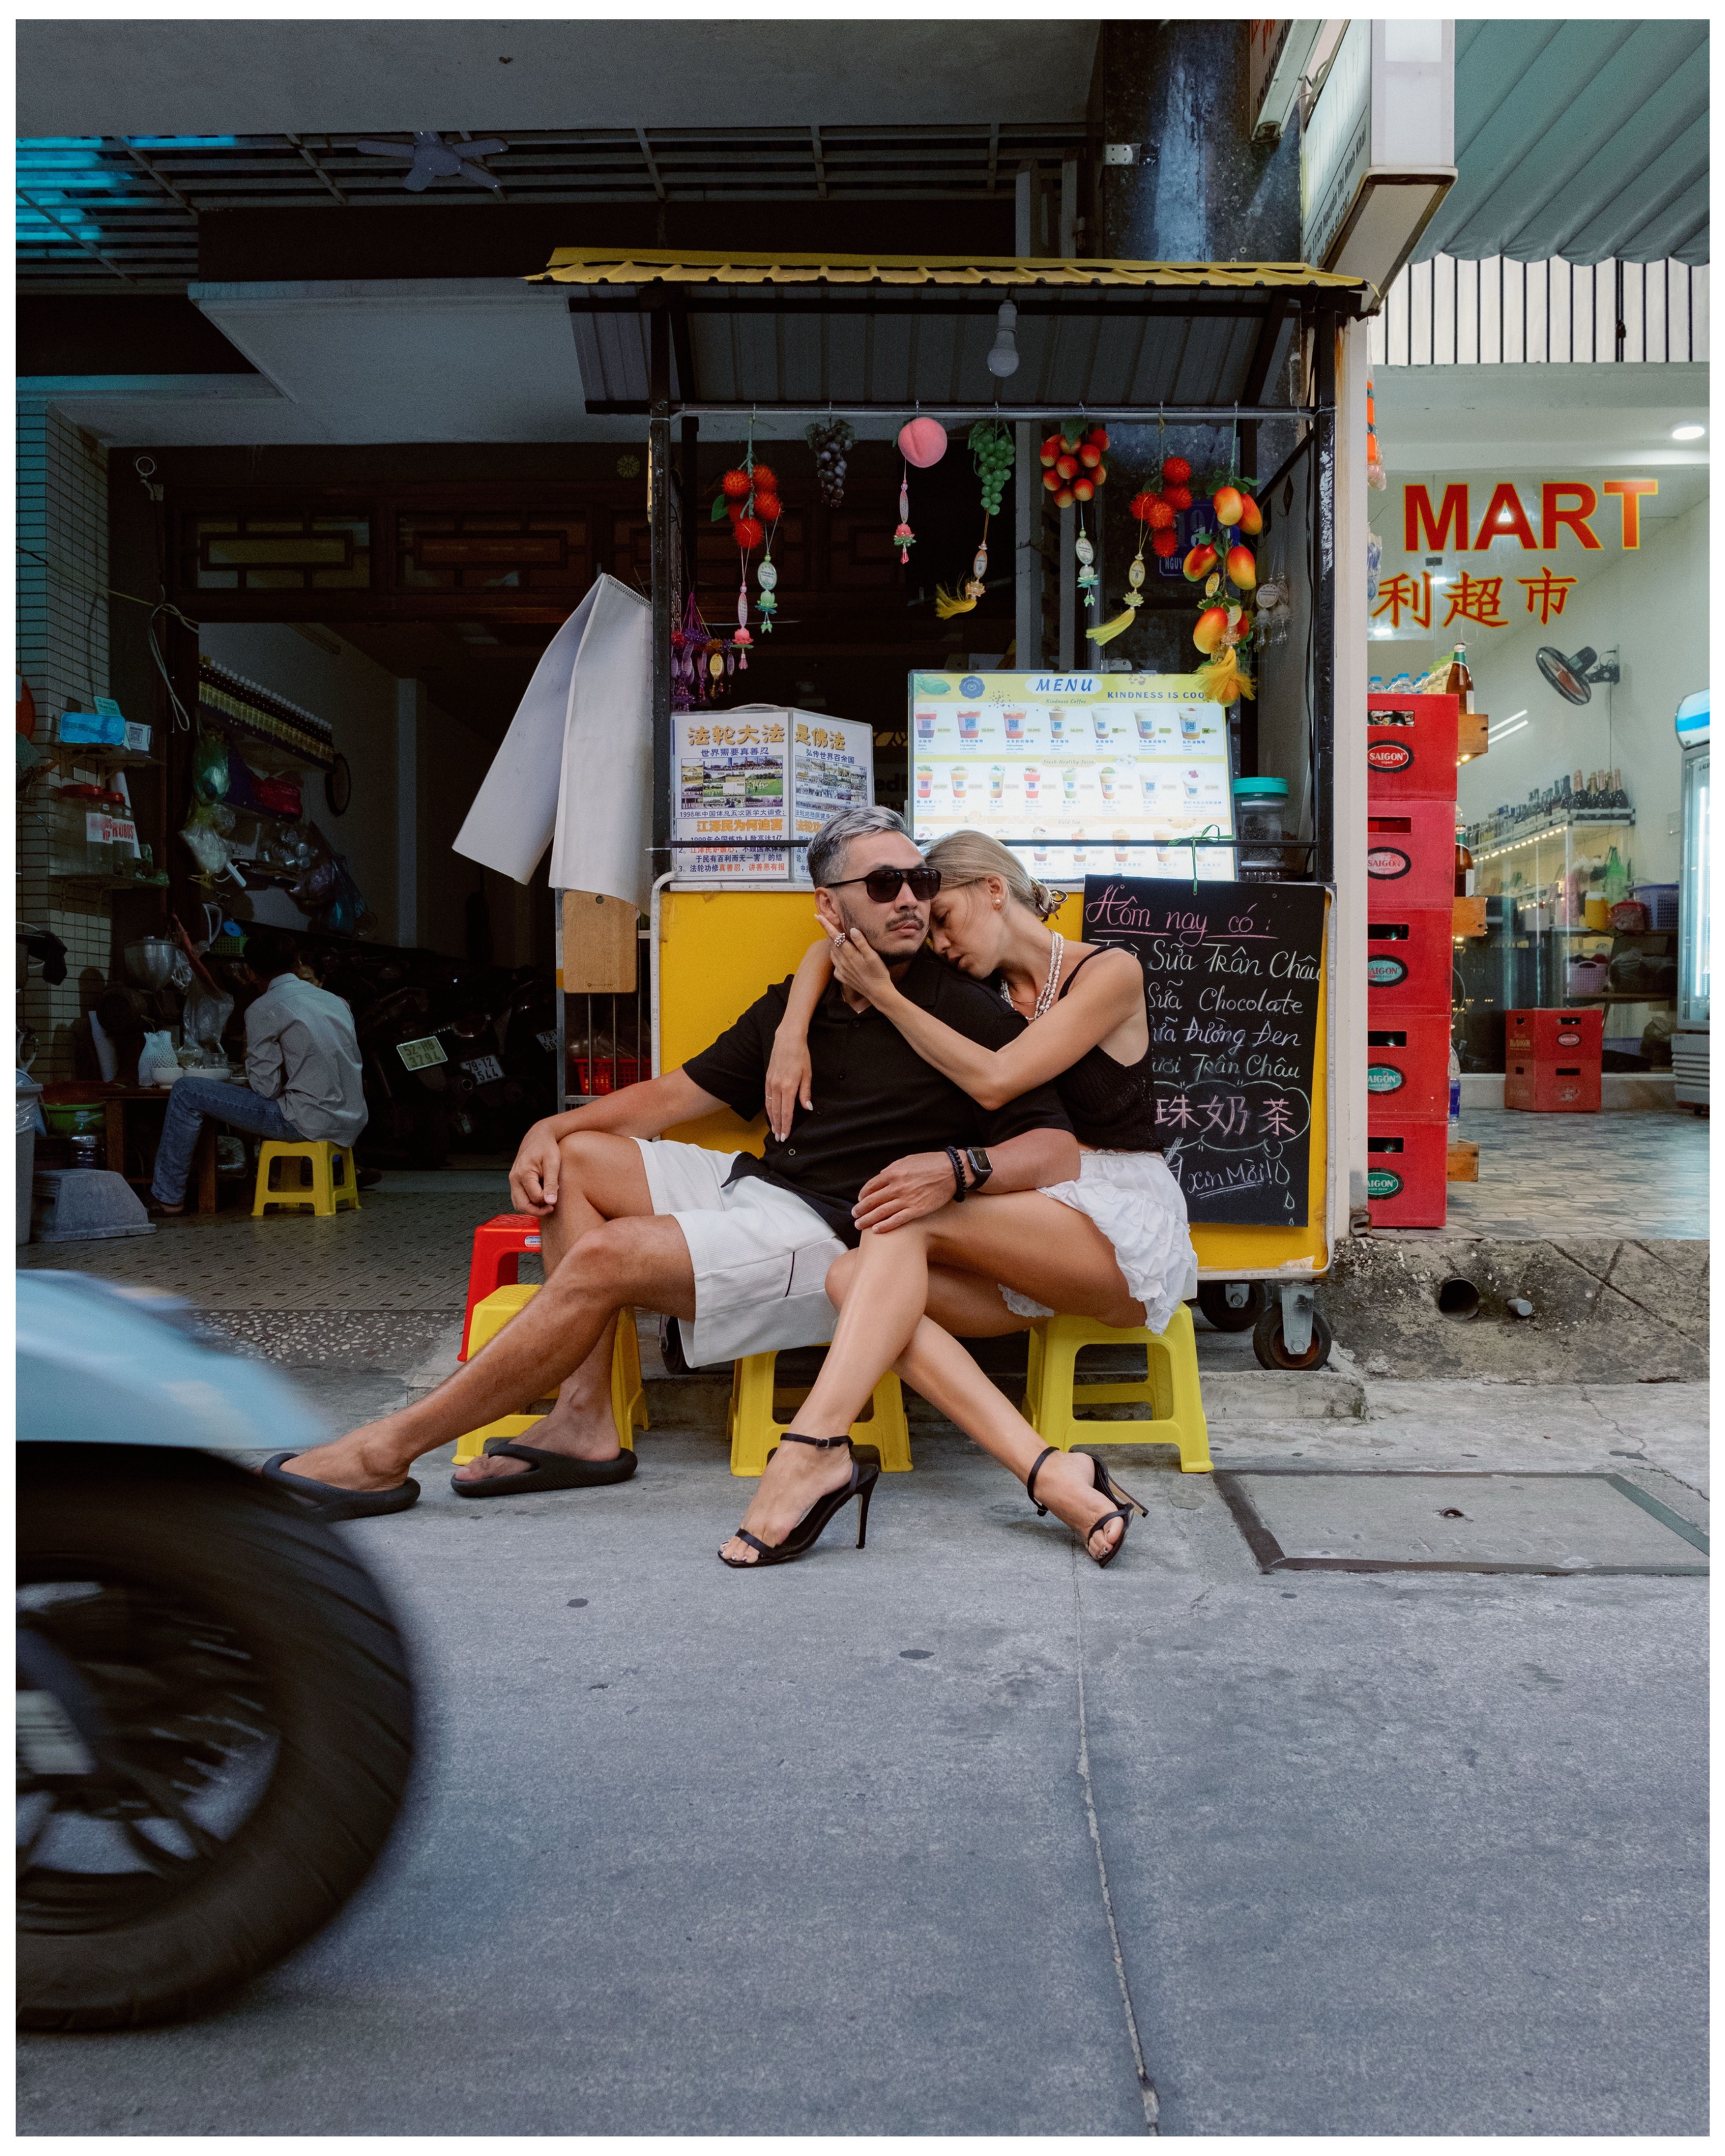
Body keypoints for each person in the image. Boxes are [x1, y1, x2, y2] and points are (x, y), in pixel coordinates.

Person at [261, 806, 1131, 1564]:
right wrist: (549, 1126)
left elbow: (1052, 1148)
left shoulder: (962, 1003)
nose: (909, 896)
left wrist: (953, 1171)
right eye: (884, 883)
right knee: (580, 1161)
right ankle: (583, 1422)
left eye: (920, 877)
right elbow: (677, 1095)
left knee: (607, 1256)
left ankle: (387, 1448)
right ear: (829, 907)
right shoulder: (808, 994)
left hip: (834, 1235)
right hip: (762, 1187)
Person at [741, 825, 1198, 1564]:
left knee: (901, 1226)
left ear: (993, 890)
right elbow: (829, 953)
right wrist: (793, 1027)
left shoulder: (1107, 971)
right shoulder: (980, 990)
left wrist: (888, 999)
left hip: (1115, 1223)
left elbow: (994, 1080)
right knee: (849, 1274)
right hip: (1024, 1236)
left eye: (944, 919)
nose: (940, 945)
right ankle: (1052, 1472)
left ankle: (811, 1444)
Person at [149, 924, 367, 1215]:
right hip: (352, 1120)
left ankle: (168, 1197)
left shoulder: (264, 1008)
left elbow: (265, 1089)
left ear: (251, 974)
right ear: (298, 963)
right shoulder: (336, 1001)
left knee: (187, 1090)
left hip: (307, 1122)